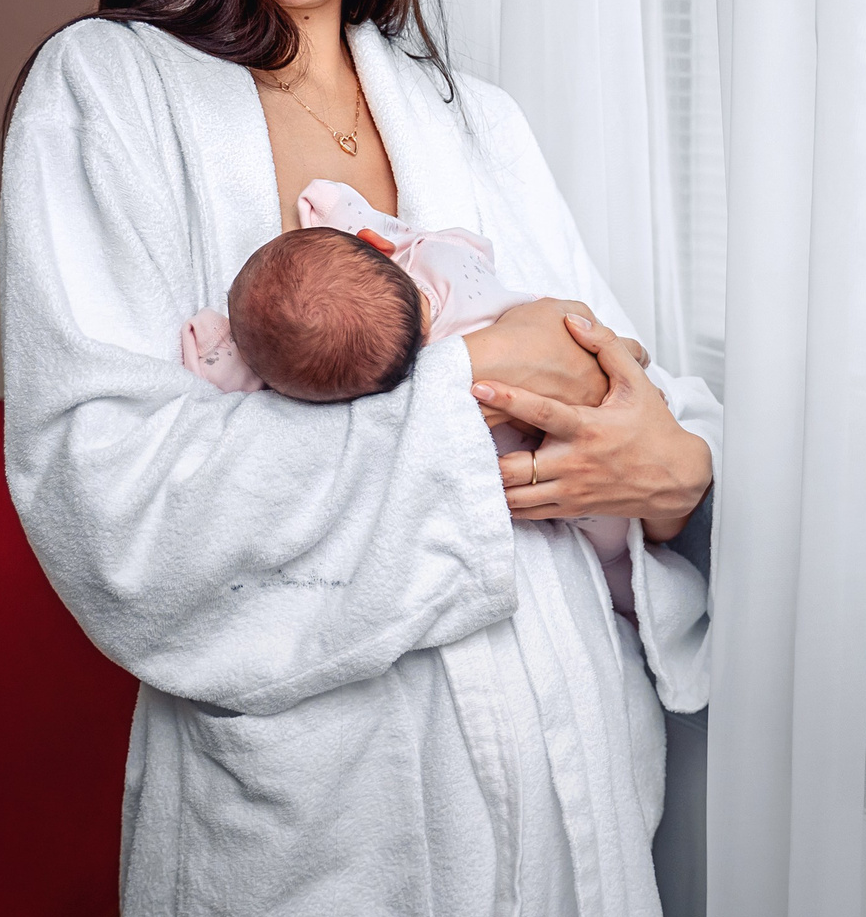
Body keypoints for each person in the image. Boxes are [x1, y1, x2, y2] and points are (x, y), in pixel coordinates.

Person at [0, 0, 717, 917]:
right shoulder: (104, 98)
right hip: (323, 855)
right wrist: (467, 402)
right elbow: (113, 504)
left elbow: (621, 379)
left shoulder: (469, 115)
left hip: (567, 824)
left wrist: (677, 474)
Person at [182, 179, 642, 614]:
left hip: (543, 479)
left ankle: (623, 585)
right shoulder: (438, 259)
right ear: (378, 245)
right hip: (588, 406)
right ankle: (630, 592)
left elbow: (240, 382)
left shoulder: (380, 382)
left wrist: (221, 342)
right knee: (615, 539)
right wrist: (336, 208)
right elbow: (467, 245)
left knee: (602, 545)